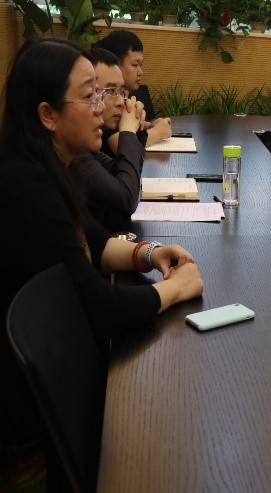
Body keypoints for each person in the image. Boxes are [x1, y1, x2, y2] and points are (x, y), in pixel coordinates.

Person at [0, 37, 204, 480]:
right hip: (35, 424)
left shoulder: (51, 166)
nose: (103, 108)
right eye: (91, 95)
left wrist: (149, 253)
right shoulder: (25, 188)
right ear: (48, 115)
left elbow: (95, 238)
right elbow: (100, 306)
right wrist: (174, 289)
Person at [71, 48, 145, 231]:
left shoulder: (88, 146)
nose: (120, 102)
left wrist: (137, 130)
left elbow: (122, 173)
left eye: (122, 92)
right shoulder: (73, 153)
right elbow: (125, 198)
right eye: (110, 91)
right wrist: (128, 132)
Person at [94, 29, 172, 147]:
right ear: (114, 65)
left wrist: (148, 125)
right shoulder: (104, 102)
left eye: (141, 65)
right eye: (135, 65)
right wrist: (158, 132)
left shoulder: (123, 98)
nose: (141, 72)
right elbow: (120, 144)